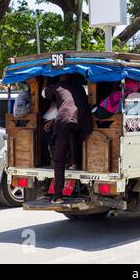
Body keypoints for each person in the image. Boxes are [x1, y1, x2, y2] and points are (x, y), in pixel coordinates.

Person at [43, 75, 92, 204]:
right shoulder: (80, 88)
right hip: (82, 120)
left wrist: (46, 81)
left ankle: (58, 196)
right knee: (74, 134)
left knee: (59, 160)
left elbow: (44, 94)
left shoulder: (57, 87)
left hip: (64, 120)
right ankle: (75, 162)